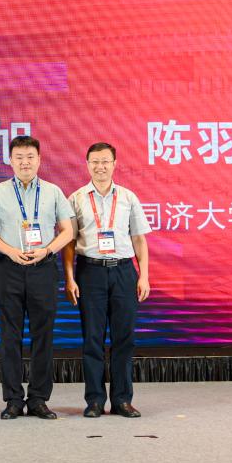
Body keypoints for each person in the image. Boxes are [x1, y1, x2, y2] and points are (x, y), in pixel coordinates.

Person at [0, 135, 74, 420]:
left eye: (30, 157)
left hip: (43, 268)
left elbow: (68, 231)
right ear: (10, 160)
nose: (25, 162)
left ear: (39, 160)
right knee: (9, 335)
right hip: (9, 267)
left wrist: (47, 250)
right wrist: (10, 251)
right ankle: (12, 399)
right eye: (19, 157)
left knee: (42, 335)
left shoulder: (53, 191)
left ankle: (38, 399)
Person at [63, 142, 151, 418]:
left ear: (114, 164)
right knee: (92, 338)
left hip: (124, 271)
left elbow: (139, 239)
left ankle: (122, 399)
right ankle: (95, 400)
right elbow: (69, 242)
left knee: (124, 338)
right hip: (90, 272)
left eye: (105, 162)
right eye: (95, 162)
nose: (100, 167)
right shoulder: (76, 198)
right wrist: (69, 278)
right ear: (87, 164)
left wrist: (144, 276)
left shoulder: (128, 198)